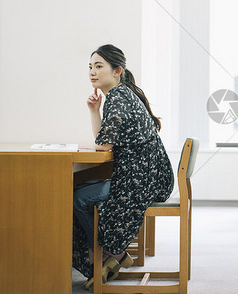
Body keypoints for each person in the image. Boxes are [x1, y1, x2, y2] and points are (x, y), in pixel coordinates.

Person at [72, 44, 174, 289]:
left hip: (140, 182)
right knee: (83, 189)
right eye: (90, 67)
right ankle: (110, 254)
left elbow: (104, 146)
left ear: (117, 71)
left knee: (78, 198)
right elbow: (104, 140)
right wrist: (94, 111)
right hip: (148, 178)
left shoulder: (118, 97)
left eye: (99, 66)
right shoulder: (121, 94)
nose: (92, 72)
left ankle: (108, 254)